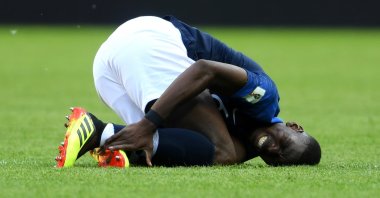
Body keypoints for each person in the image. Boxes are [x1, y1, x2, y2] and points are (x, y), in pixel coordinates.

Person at [55, 15, 321, 168]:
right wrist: (149, 124)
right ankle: (100, 131)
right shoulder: (264, 98)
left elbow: (220, 152)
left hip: (106, 71)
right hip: (150, 40)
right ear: (294, 126)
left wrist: (149, 129)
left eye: (275, 159)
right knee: (221, 152)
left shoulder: (246, 145)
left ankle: (114, 147)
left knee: (198, 148)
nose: (271, 148)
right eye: (283, 143)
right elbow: (204, 70)